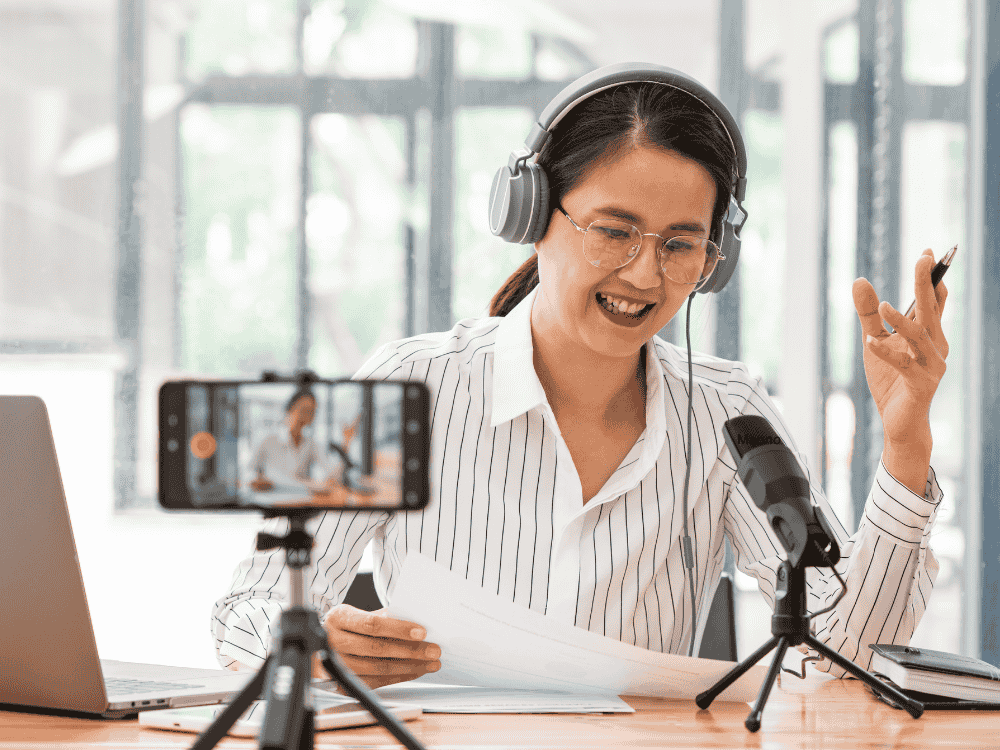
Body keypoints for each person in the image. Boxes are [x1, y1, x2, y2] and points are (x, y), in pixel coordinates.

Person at [212, 65, 949, 690]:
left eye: (680, 244)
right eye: (614, 230)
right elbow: (246, 606)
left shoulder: (730, 411)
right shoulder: (402, 382)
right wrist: (303, 642)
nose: (644, 273)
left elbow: (846, 661)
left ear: (713, 257)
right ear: (530, 214)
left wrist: (905, 445)